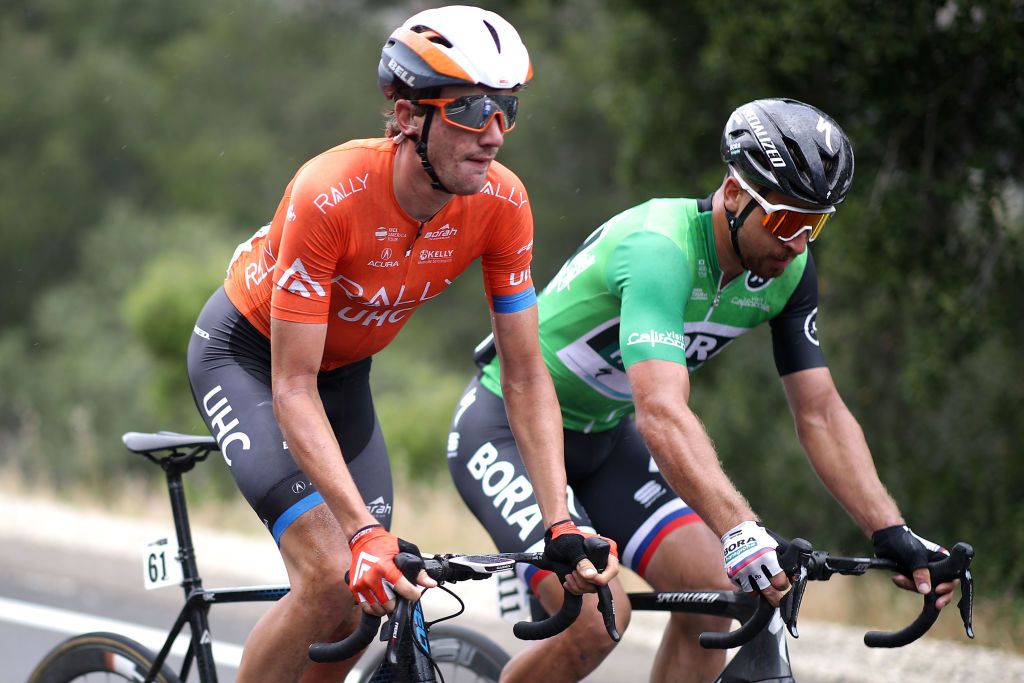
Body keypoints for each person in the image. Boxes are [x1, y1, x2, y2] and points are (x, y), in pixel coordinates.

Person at [447, 98, 956, 682]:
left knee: (722, 597)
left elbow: (820, 413)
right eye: (787, 221)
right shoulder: (661, 247)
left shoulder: (788, 273)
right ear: (734, 194)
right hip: (507, 433)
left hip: (606, 443)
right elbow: (661, 412)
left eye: (814, 225)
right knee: (595, 619)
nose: (797, 245)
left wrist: (888, 529)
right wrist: (742, 529)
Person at [186, 7, 617, 682]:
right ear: (411, 115)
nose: (496, 133)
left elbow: (527, 377)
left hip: (344, 375)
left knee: (376, 589)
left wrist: (556, 521)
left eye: (508, 109)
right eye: (473, 109)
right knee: (333, 575)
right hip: (250, 357)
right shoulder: (329, 194)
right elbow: (291, 386)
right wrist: (359, 534)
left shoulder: (502, 205)